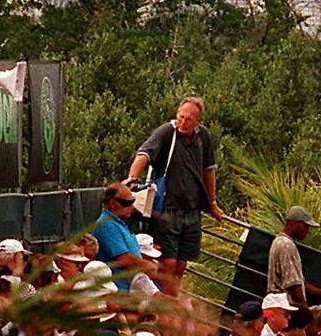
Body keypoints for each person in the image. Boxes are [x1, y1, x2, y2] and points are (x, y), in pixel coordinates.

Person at [129, 97, 223, 293]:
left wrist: (212, 203)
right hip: (168, 208)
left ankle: (171, 303)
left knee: (181, 264)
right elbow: (144, 154)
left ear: (199, 121)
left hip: (192, 208)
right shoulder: (166, 132)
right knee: (168, 262)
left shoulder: (203, 137)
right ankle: (161, 304)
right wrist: (131, 178)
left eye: (189, 119)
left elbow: (208, 170)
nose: (183, 122)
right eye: (181, 117)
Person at [269, 206, 321, 310]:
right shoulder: (286, 245)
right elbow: (292, 285)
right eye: (306, 226)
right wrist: (305, 313)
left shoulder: (281, 242)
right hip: (287, 307)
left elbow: (300, 282)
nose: (307, 231)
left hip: (284, 305)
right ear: (297, 224)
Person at [92, 182, 146, 288]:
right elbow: (124, 259)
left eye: (133, 202)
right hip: (120, 291)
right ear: (112, 203)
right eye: (127, 203)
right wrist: (148, 266)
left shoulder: (119, 222)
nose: (132, 207)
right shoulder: (106, 224)